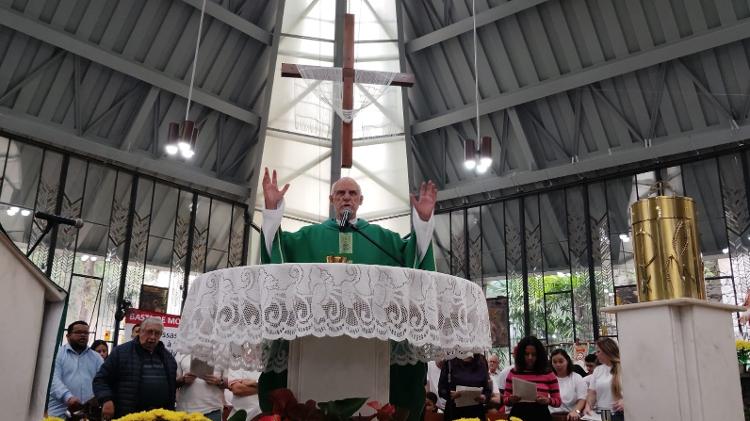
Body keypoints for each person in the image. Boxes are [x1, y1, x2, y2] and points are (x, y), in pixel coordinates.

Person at [258, 168, 438, 421]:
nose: (346, 197)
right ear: (331, 200)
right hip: (314, 347)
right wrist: (272, 210)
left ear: (361, 200)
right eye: (340, 193)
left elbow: (413, 259)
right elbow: (276, 251)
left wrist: (423, 221)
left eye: (353, 193)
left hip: (374, 345)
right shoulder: (307, 238)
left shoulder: (380, 239)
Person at [93, 317, 178, 420]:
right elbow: (100, 380)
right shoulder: (120, 353)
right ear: (140, 331)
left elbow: (171, 387)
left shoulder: (168, 358)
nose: (152, 337)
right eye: (149, 332)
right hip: (128, 416)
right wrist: (106, 400)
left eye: (157, 333)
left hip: (160, 416)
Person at [47, 321, 104, 418]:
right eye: (78, 332)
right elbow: (53, 380)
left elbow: (103, 381)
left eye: (86, 333)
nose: (83, 335)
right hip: (59, 412)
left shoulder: (97, 358)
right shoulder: (57, 354)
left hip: (87, 414)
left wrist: (98, 397)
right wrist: (68, 397)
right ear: (68, 336)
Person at [503, 336, 561, 421]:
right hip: (517, 416)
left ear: (539, 355)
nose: (530, 357)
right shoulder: (513, 373)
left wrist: (548, 400)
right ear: (521, 355)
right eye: (526, 354)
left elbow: (558, 401)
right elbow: (505, 399)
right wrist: (511, 399)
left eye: (534, 354)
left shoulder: (548, 373)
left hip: (541, 416)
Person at [438, 353, 492, 421]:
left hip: (476, 411)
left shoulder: (482, 361)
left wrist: (484, 397)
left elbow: (487, 389)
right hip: (454, 411)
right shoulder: (450, 361)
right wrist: (450, 394)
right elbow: (441, 389)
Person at [175, 353, 227, 421]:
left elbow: (229, 384)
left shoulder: (221, 353)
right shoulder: (182, 353)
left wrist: (219, 382)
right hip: (185, 410)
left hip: (212, 411)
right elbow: (172, 382)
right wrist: (183, 380)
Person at [585, 338, 624, 421]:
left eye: (598, 351)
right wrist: (588, 406)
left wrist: (625, 401)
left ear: (607, 352)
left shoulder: (623, 368)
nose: (596, 354)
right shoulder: (598, 370)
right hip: (602, 414)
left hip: (620, 413)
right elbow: (592, 393)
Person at [549, 349, 586, 421]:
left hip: (571, 417)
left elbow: (582, 399)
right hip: (551, 416)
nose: (558, 365)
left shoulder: (576, 377)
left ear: (567, 361)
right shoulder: (549, 378)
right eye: (554, 362)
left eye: (561, 361)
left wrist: (576, 411)